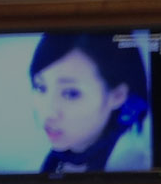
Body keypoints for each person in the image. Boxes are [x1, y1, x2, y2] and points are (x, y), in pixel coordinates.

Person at [30, 33, 153, 174]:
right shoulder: (38, 165)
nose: (48, 113)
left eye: (71, 93)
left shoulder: (136, 165)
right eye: (40, 87)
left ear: (117, 96)